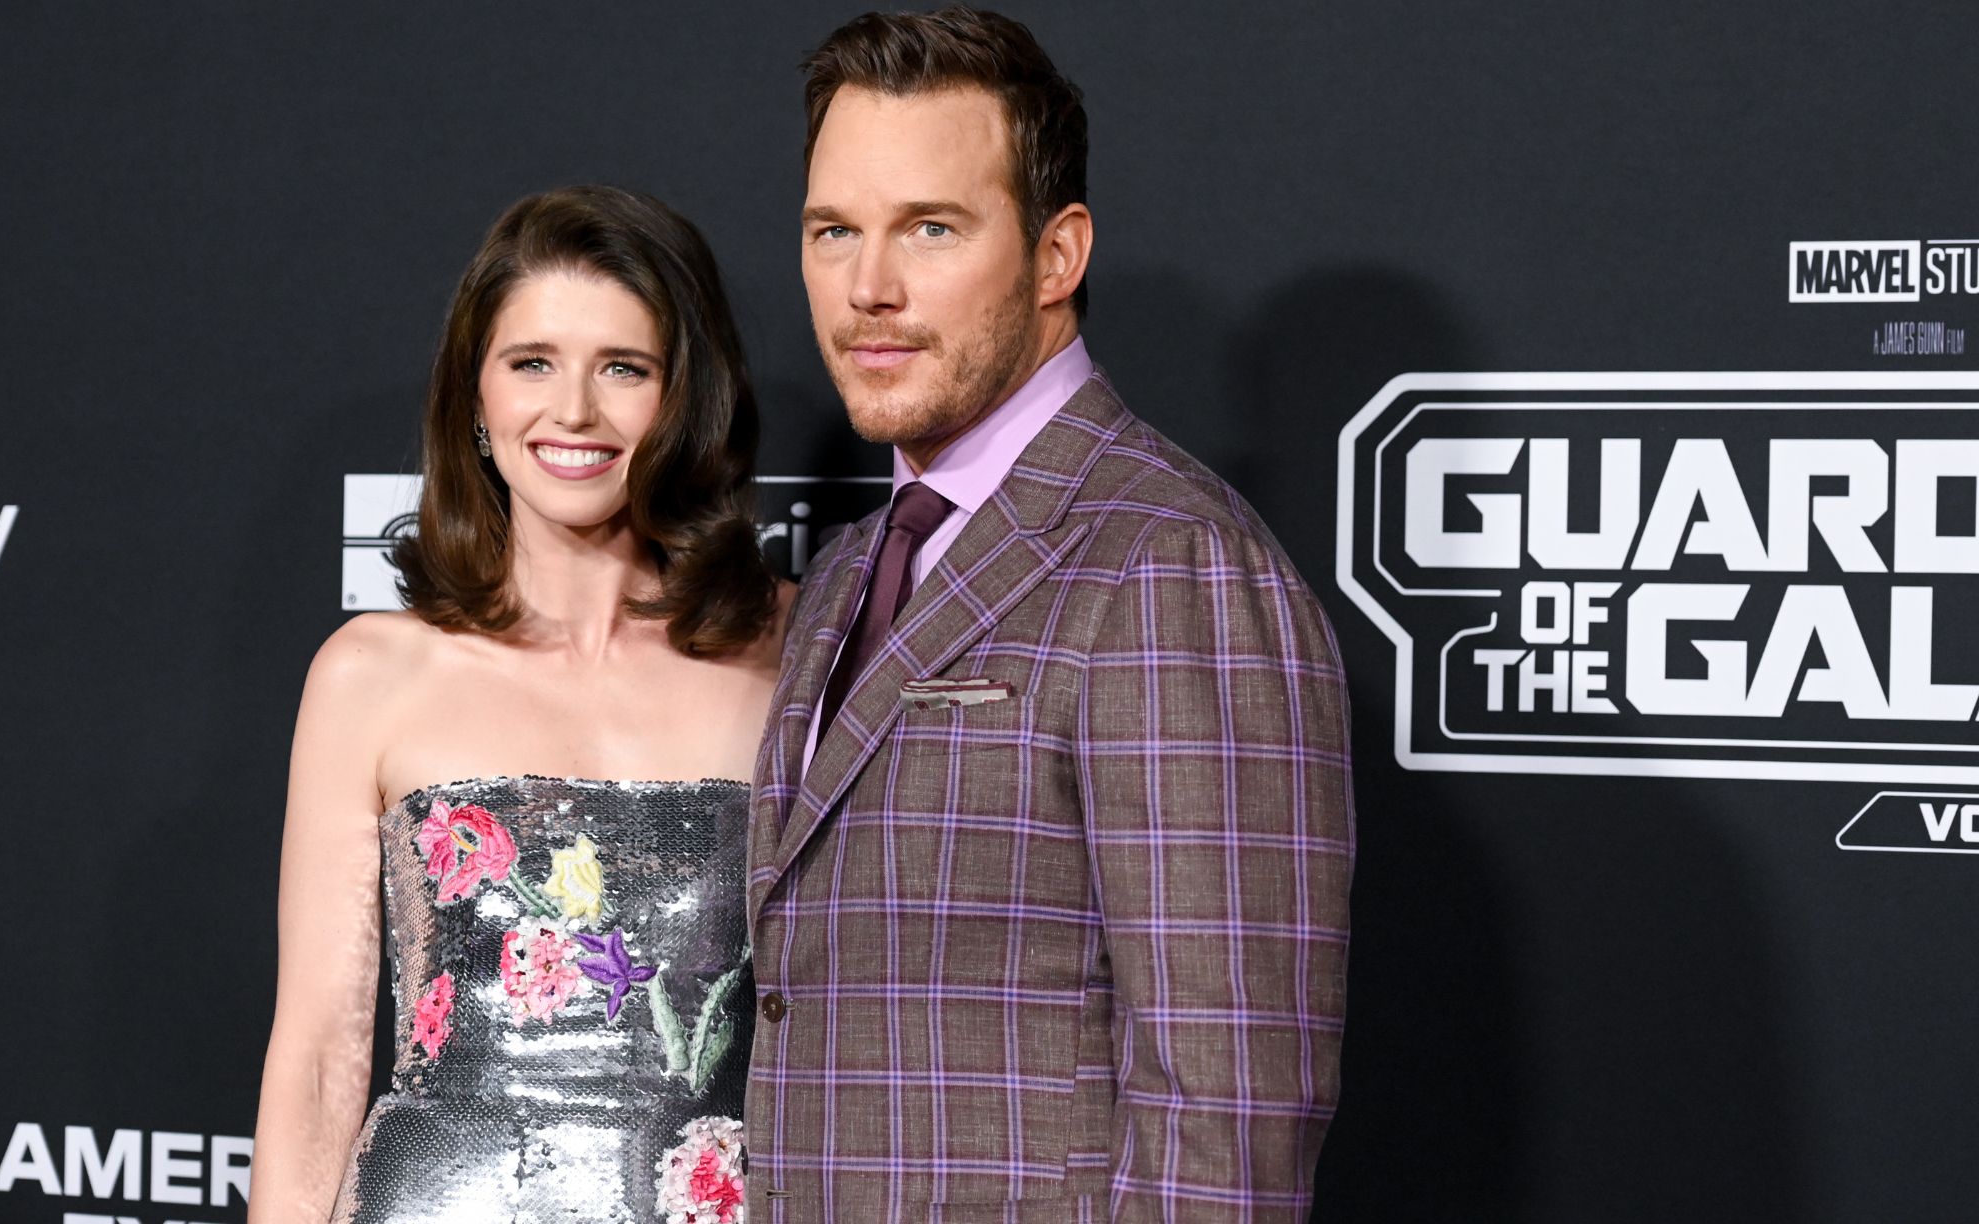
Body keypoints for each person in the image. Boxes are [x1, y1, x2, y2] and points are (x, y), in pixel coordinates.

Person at [744, 8, 1355, 1221]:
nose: (869, 287)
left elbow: (1227, 1110)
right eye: (833, 232)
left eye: (931, 228)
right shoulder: (847, 574)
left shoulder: (1170, 562)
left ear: (1056, 253)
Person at [250, 185, 782, 1224]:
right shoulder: (372, 674)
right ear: (476, 402)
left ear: (686, 401)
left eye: (623, 368)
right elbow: (318, 1056)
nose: (572, 410)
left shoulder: (794, 654)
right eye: (531, 362)